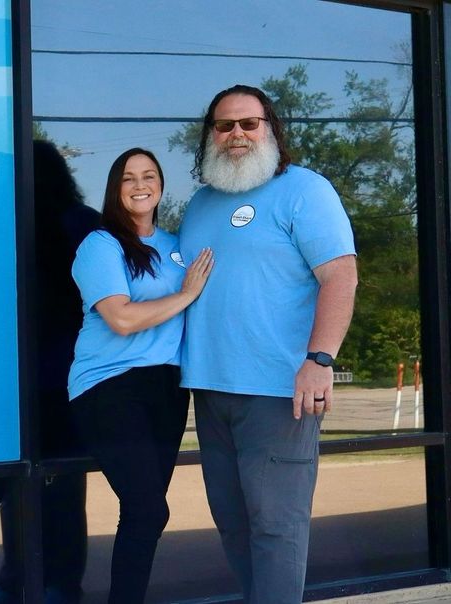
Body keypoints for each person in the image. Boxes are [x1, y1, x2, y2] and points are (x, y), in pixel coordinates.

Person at [177, 85, 358, 604]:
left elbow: (340, 276)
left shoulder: (305, 189)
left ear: (271, 129)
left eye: (249, 124)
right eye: (225, 125)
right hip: (209, 391)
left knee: (276, 529)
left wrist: (320, 359)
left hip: (280, 393)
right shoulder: (200, 203)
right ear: (211, 134)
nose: (237, 134)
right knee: (233, 526)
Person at [68, 148, 214, 603]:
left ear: (161, 186)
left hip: (167, 389)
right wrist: (187, 294)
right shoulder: (101, 245)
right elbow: (122, 319)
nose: (139, 185)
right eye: (128, 178)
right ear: (115, 188)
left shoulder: (177, 247)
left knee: (144, 513)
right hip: (108, 386)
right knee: (148, 508)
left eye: (148, 176)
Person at [0, 140, 100, 604]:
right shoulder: (84, 226)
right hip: (66, 380)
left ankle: (3, 584)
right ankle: (60, 585)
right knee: (63, 490)